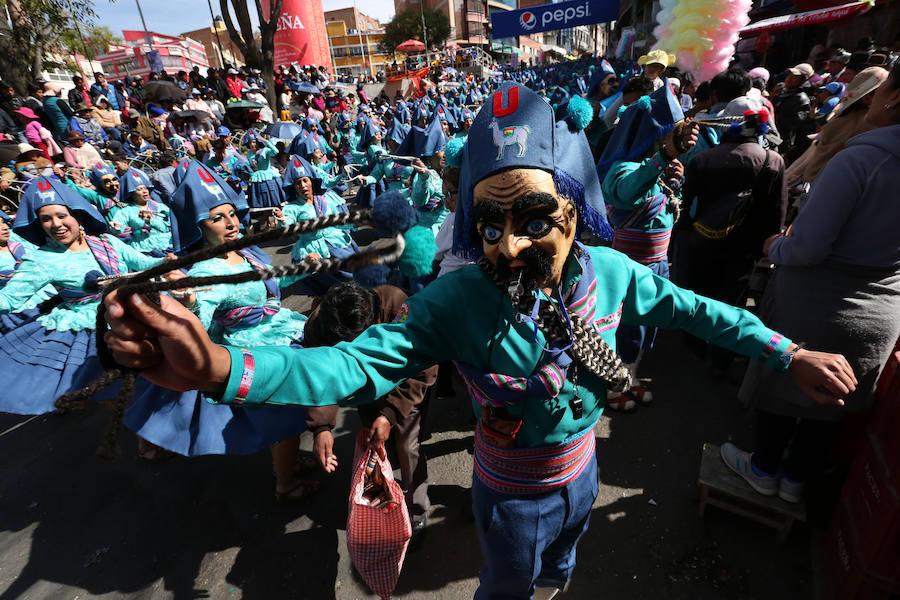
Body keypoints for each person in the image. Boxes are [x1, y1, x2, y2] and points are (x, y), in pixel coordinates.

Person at [103, 82, 855, 600]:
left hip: (585, 473)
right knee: (508, 586)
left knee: (562, 564)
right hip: (510, 494)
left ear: (571, 207)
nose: (503, 246)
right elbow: (349, 363)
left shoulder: (618, 275)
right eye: (486, 224)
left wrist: (786, 353)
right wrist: (219, 367)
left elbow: (703, 311)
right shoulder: (460, 298)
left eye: (529, 219)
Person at [723, 62, 900, 504]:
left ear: (893, 98)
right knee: (834, 402)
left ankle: (763, 469)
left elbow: (806, 248)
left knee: (789, 385)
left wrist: (773, 247)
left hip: (821, 303)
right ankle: (796, 481)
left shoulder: (862, 159)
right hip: (883, 312)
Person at [122, 161, 311, 478]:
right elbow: (198, 327)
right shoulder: (206, 272)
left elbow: (265, 289)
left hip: (278, 330)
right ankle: (286, 483)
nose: (230, 223)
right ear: (199, 226)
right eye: (217, 218)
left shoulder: (243, 252)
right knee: (285, 416)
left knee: (293, 411)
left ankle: (288, 463)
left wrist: (305, 268)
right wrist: (192, 303)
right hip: (255, 352)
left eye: (232, 214)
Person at [0, 177, 166, 415]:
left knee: (153, 379)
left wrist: (167, 262)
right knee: (120, 394)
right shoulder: (41, 259)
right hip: (92, 331)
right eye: (46, 219)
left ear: (78, 215)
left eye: (61, 215)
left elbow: (144, 263)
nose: (56, 224)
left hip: (132, 313)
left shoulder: (106, 242)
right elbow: (9, 300)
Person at [305, 282, 438, 544]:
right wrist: (321, 426)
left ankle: (417, 509)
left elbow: (425, 368)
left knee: (407, 446)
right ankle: (383, 501)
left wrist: (390, 413)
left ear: (375, 322)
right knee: (374, 443)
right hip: (364, 394)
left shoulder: (400, 309)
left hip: (404, 385)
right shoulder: (321, 324)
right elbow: (321, 376)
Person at [599, 85, 695, 410]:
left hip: (658, 266)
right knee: (624, 327)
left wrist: (675, 180)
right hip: (628, 268)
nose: (671, 146)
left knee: (647, 328)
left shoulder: (660, 173)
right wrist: (663, 159)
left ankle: (631, 377)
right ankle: (615, 384)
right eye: (665, 139)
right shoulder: (622, 168)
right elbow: (627, 192)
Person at [676, 111, 786, 370]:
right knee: (734, 300)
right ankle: (721, 356)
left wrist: (686, 235)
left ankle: (695, 345)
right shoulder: (773, 160)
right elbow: (777, 211)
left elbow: (684, 204)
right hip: (745, 248)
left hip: (703, 240)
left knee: (700, 295)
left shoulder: (702, 160)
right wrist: (768, 245)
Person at [773, 63, 815, 160]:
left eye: (794, 77)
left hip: (781, 141)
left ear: (803, 80)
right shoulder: (785, 92)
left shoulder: (802, 100)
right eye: (789, 75)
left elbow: (793, 126)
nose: (789, 79)